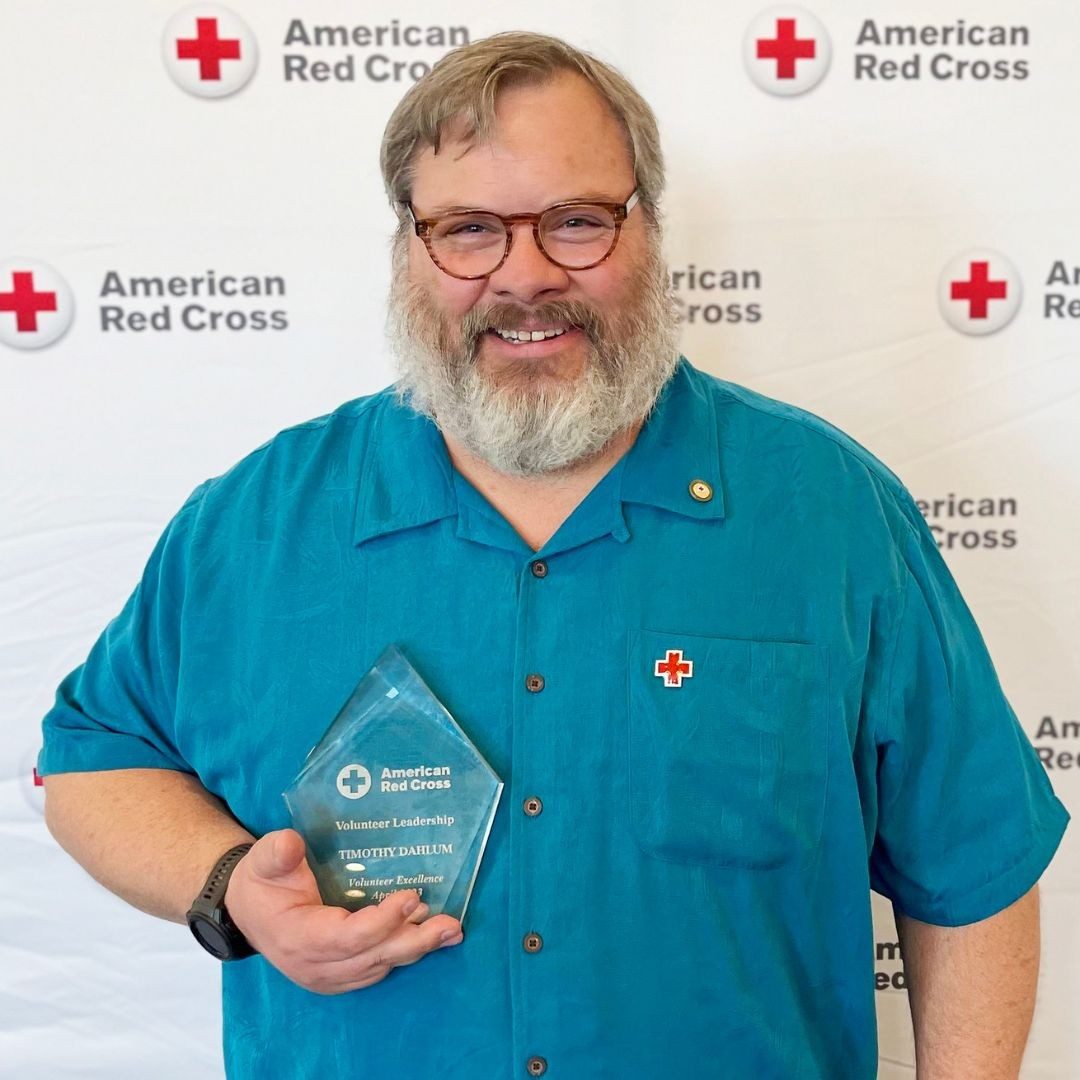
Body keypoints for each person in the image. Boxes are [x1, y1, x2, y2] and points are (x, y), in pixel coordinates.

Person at [39, 30, 1068, 1080]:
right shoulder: (255, 524)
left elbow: (975, 869)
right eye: (468, 230)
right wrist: (225, 889)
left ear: (649, 231)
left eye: (576, 222)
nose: (524, 276)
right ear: (409, 247)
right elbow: (94, 761)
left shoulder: (832, 514)